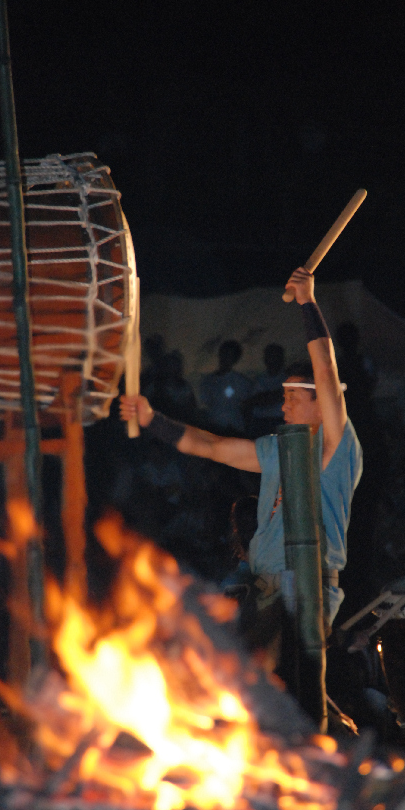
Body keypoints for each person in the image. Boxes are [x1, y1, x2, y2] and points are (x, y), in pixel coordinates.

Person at [120, 268, 363, 633]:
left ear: (321, 403)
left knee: (295, 682)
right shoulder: (278, 450)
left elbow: (325, 368)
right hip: (263, 585)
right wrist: (153, 419)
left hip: (306, 586)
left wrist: (307, 302)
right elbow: (214, 447)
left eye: (293, 398)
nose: (284, 408)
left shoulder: (336, 445)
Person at [199, 339, 253, 434]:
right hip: (213, 429)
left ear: (235, 359)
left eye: (230, 355)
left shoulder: (242, 381)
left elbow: (247, 408)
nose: (225, 358)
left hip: (234, 430)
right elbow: (205, 405)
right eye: (224, 353)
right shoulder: (207, 381)